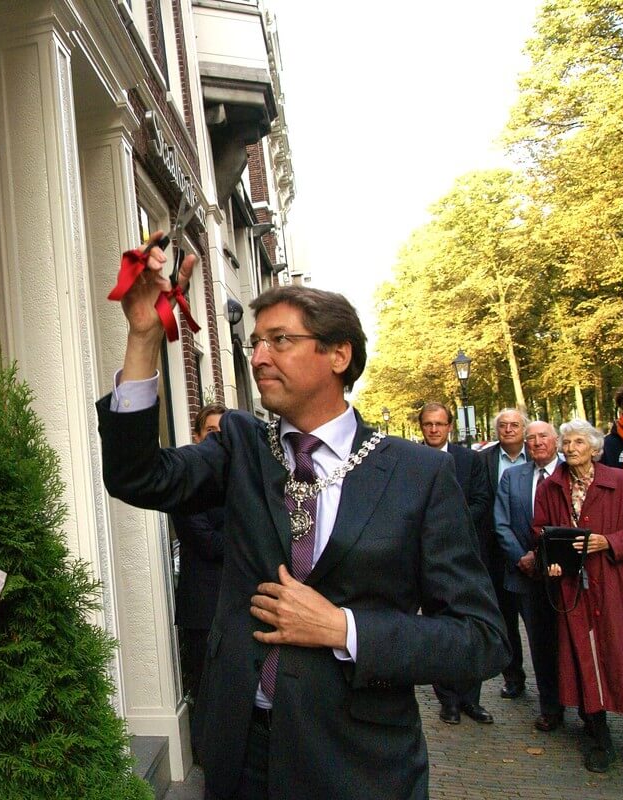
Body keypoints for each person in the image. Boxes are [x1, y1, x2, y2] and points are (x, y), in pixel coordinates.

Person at [96, 237, 509, 800]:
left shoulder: (418, 475)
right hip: (240, 750)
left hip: (358, 759)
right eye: (256, 343)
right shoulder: (243, 446)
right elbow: (137, 477)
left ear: (338, 355)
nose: (259, 356)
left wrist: (344, 629)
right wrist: (143, 338)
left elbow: (479, 638)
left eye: (281, 341)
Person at [534, 419, 623, 779]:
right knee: (584, 660)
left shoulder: (620, 482)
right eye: (566, 443)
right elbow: (540, 531)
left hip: (619, 585)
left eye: (578, 443)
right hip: (575, 590)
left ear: (594, 448)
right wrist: (551, 563)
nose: (571, 449)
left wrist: (611, 542)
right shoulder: (551, 487)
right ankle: (601, 740)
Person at [417, 403, 494, 725]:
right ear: (421, 427)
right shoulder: (411, 458)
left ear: (450, 426)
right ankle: (447, 700)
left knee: (470, 624)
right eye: (428, 424)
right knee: (439, 627)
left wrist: (453, 525)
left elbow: (482, 500)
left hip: (464, 555)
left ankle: (471, 700)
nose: (434, 429)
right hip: (427, 556)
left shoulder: (470, 460)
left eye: (439, 424)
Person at [493, 421, 564, 732]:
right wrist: (522, 557)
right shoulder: (512, 476)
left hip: (568, 577)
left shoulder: (571, 471)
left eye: (543, 436)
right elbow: (501, 522)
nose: (537, 443)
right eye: (532, 438)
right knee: (540, 644)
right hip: (526, 575)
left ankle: (588, 709)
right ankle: (551, 706)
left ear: (557, 441)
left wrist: (547, 556)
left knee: (570, 642)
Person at [174, 402, 227, 704]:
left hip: (241, 609)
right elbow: (206, 542)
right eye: (210, 431)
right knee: (209, 699)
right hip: (205, 612)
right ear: (196, 436)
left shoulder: (238, 480)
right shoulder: (186, 483)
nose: (218, 438)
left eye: (223, 432)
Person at [477, 408, 531, 699]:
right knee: (506, 619)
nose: (508, 430)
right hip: (496, 553)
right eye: (503, 425)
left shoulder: (537, 454)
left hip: (532, 552)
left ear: (524, 428)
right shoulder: (483, 459)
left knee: (537, 620)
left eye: (514, 425)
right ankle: (513, 676)